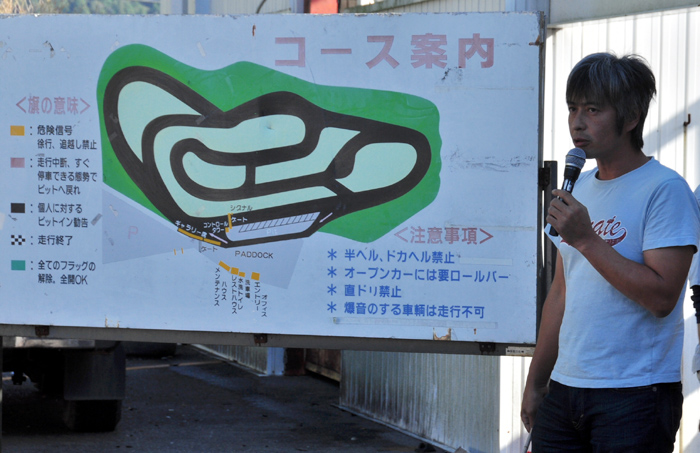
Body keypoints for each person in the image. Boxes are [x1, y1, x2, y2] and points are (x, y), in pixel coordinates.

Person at [520, 52, 700, 452]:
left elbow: (662, 298)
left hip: (635, 395)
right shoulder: (578, 188)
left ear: (631, 117)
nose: (577, 122)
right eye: (572, 108)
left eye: (593, 109)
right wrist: (536, 381)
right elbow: (561, 293)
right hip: (564, 389)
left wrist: (587, 239)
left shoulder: (665, 190)